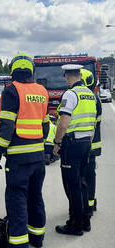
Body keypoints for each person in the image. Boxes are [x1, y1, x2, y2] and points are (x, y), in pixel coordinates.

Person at [0, 52, 49, 248]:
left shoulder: (11, 90)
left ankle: (18, 244)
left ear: (13, 71)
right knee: (35, 197)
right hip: (38, 157)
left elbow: (7, 126)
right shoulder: (42, 91)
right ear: (31, 71)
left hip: (18, 158)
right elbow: (45, 125)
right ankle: (37, 238)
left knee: (16, 200)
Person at [53, 65, 97, 236]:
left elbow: (63, 123)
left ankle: (75, 224)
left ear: (67, 76)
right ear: (79, 75)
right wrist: (89, 140)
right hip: (87, 142)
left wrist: (57, 143)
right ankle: (85, 221)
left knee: (73, 186)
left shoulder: (70, 94)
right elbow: (93, 122)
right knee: (82, 183)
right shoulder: (90, 95)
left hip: (72, 144)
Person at [80, 68, 102, 217]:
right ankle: (91, 203)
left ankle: (84, 206)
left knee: (82, 176)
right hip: (93, 145)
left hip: (84, 145)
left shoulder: (82, 98)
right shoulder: (95, 99)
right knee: (90, 176)